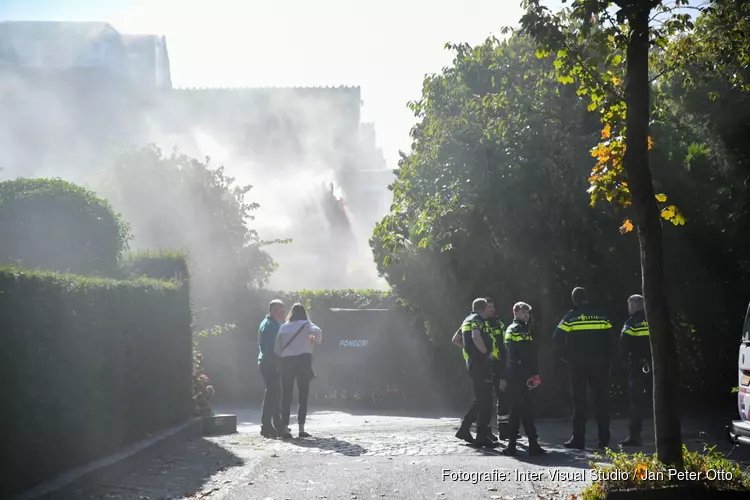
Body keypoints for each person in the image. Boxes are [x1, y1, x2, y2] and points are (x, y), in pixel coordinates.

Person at [553, 287, 615, 449]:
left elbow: (557, 337)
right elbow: (611, 339)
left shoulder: (571, 317)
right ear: (587, 297)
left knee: (579, 403)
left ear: (574, 300)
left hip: (577, 365)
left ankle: (578, 439)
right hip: (600, 365)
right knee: (601, 401)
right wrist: (607, 358)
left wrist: (565, 356)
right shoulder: (601, 315)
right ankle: (604, 440)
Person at [502, 302, 545, 456]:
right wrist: (506, 377)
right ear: (515, 312)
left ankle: (530, 444)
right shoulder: (512, 330)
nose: (526, 315)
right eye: (523, 312)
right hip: (516, 376)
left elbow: (533, 354)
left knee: (526, 410)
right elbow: (509, 355)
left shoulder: (527, 330)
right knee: (517, 411)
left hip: (525, 375)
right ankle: (515, 445)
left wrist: (535, 374)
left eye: (528, 312)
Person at [454, 298, 498, 447]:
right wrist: (485, 353)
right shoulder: (477, 320)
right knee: (485, 399)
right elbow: (475, 336)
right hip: (480, 363)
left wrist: (469, 350)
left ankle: (465, 429)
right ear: (484, 308)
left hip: (473, 362)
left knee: (481, 398)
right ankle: (481, 436)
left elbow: (456, 339)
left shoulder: (467, 320)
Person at [275, 303, 322, 439]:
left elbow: (277, 348)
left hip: (287, 362)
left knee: (287, 396)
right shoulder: (307, 325)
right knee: (303, 395)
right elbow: (318, 332)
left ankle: (285, 428)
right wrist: (313, 340)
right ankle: (301, 428)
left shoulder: (284, 327)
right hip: (303, 361)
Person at [619, 294, 652, 446]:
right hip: (654, 364)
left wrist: (624, 361)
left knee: (636, 401)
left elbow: (624, 344)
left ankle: (634, 436)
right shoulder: (653, 320)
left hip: (638, 366)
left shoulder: (631, 323)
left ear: (633, 306)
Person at [257, 299, 285, 438]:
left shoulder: (266, 322)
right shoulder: (272, 326)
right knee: (273, 395)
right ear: (274, 310)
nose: (283, 312)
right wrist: (277, 363)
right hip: (270, 363)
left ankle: (273, 425)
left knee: (272, 394)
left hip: (265, 362)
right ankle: (267, 425)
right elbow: (273, 348)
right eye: (281, 310)